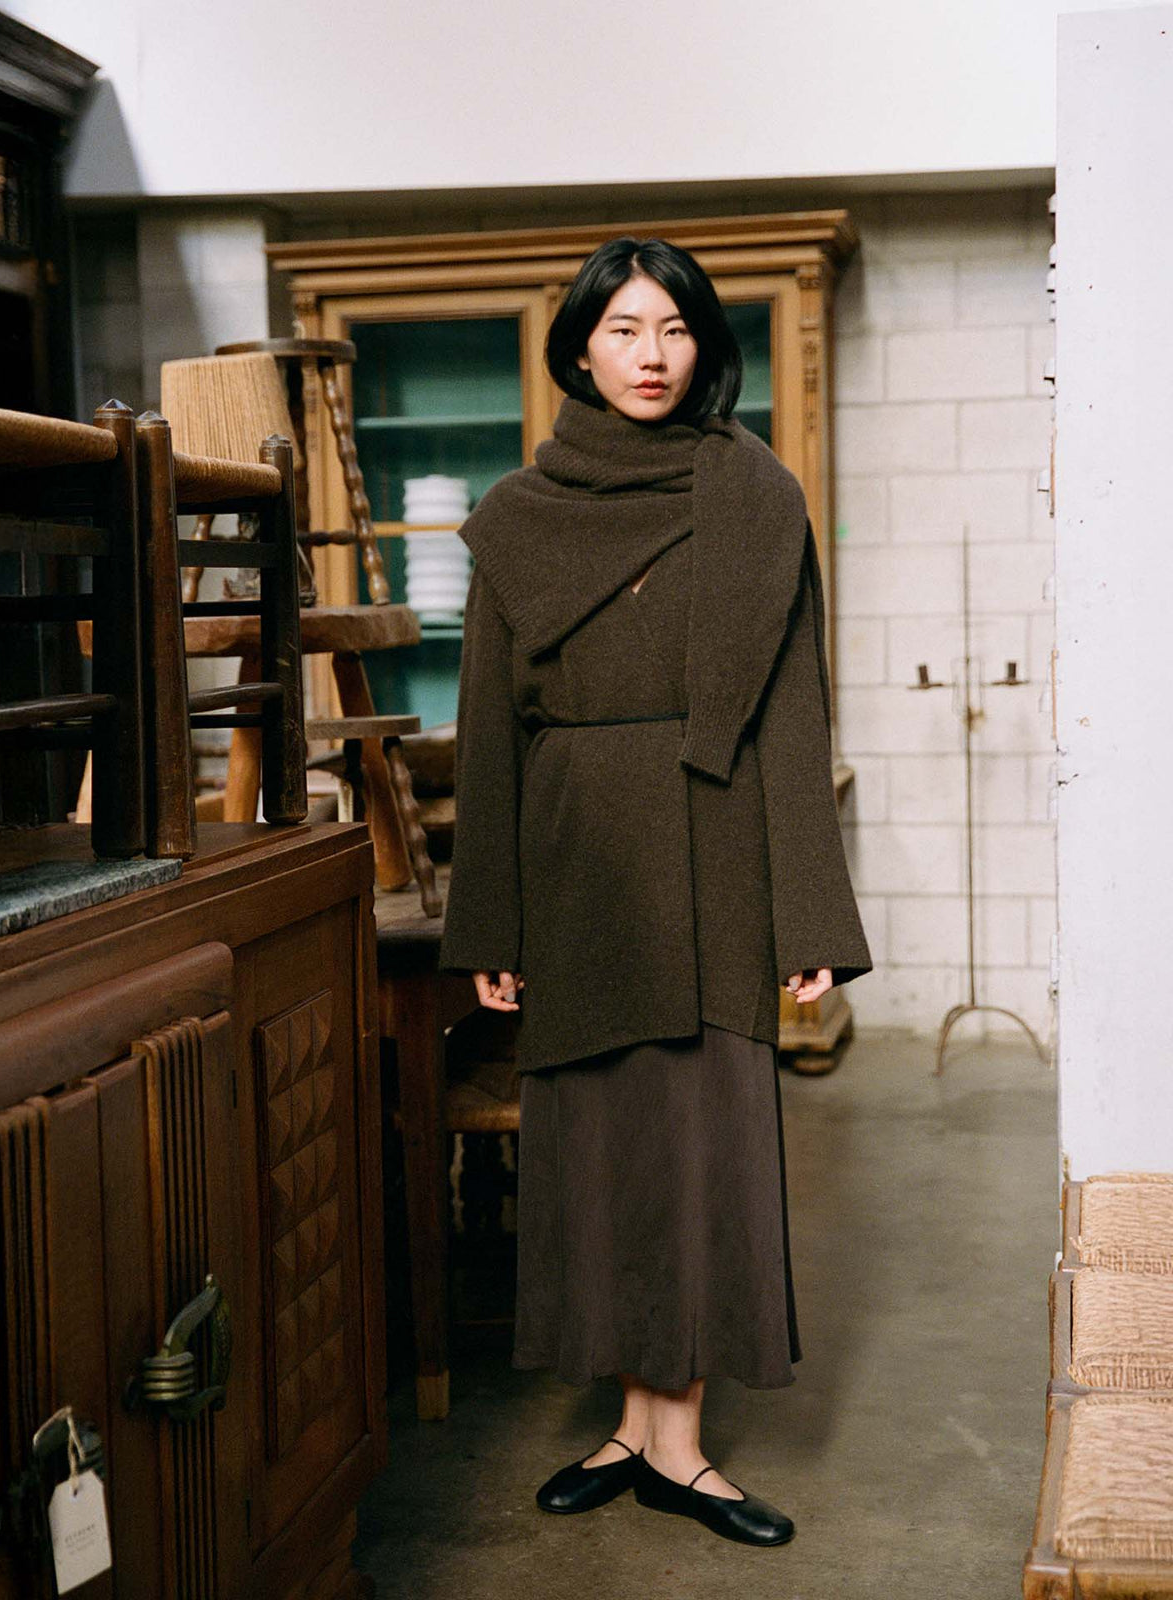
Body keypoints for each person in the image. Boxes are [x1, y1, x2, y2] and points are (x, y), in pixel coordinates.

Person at [437, 235, 872, 1549]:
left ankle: (680, 1447)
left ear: (703, 347)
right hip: (575, 854)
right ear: (580, 346)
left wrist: (808, 912)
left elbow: (794, 712)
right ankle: (629, 1424)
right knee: (599, 1149)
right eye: (624, 329)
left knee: (700, 1143)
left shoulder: (755, 494)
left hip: (715, 838)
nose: (649, 354)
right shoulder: (520, 514)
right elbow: (489, 732)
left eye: (673, 329)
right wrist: (491, 920)